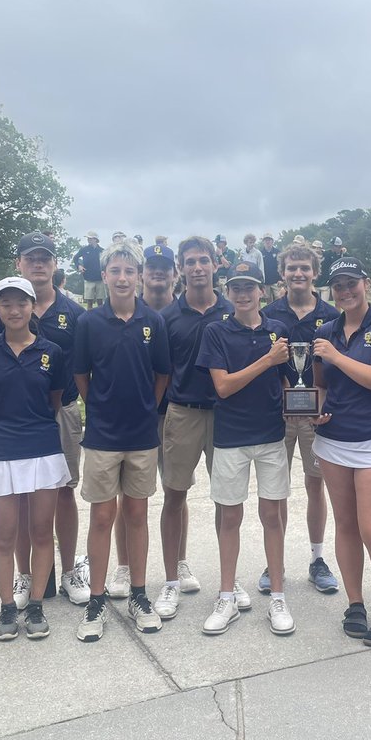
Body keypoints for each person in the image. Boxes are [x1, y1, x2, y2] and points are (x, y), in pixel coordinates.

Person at [0, 232, 89, 610]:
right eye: (31, 258)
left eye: (46, 258)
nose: (39, 264)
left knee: (64, 491)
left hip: (61, 411)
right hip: (13, 419)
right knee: (22, 498)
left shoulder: (75, 312)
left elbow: (79, 369)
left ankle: (70, 570)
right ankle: (25, 574)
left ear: (55, 265)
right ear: (19, 264)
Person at [74, 241, 171, 641]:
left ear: (140, 276)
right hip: (102, 435)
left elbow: (161, 374)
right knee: (101, 516)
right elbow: (82, 376)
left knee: (137, 515)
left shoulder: (154, 321)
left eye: (129, 271)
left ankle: (137, 593)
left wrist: (147, 405)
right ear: (105, 275)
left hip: (142, 435)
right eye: (115, 270)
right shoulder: (89, 322)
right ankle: (97, 598)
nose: (122, 278)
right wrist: (100, 404)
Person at [312, 256, 371, 647]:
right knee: (346, 525)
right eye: (338, 285)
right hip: (334, 439)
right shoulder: (326, 330)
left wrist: (337, 356)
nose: (345, 291)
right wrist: (316, 407)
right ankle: (355, 602)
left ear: (366, 284)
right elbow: (320, 383)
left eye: (352, 283)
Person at [0, 277, 71, 640]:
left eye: (21, 303)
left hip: (42, 450)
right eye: (6, 304)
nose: (14, 310)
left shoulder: (51, 352)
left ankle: (38, 605)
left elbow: (54, 400)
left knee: (42, 532)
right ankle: (8, 608)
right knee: (4, 535)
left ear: (32, 307)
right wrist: (1, 432)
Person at [196, 262, 295, 635]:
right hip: (231, 436)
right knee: (230, 518)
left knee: (273, 515)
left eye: (249, 287)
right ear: (228, 292)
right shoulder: (216, 331)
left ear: (262, 292)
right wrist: (267, 360)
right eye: (235, 288)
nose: (242, 294)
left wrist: (304, 406)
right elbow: (223, 387)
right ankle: (226, 595)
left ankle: (279, 596)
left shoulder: (279, 330)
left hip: (271, 435)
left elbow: (289, 381)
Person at [152, 236, 240, 619]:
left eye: (204, 260)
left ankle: (229, 580)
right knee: (174, 495)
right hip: (182, 412)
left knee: (227, 499)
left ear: (215, 265)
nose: (198, 267)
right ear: (180, 270)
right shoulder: (167, 317)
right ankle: (171, 581)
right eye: (190, 262)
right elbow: (159, 371)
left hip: (226, 413)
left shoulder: (233, 310)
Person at [261, 242, 340, 593]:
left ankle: (317, 558)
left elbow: (335, 367)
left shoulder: (332, 314)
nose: (298, 273)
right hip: (276, 414)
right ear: (282, 272)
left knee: (314, 485)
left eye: (304, 267)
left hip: (315, 415)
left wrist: (324, 401)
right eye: (292, 267)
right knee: (275, 491)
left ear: (315, 272)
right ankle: (272, 561)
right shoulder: (269, 313)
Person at [109, 244, 179, 602]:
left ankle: (178, 562)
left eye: (163, 267)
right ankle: (124, 565)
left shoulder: (180, 310)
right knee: (129, 496)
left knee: (175, 492)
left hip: (177, 412)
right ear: (142, 273)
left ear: (173, 273)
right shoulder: (126, 312)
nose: (157, 273)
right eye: (151, 266)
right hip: (138, 417)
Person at [74, 233, 104, 309]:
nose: (88, 240)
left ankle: (100, 317)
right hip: (88, 278)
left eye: (90, 238)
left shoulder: (102, 251)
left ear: (95, 239)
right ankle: (89, 317)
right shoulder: (84, 249)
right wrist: (79, 266)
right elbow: (75, 258)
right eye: (88, 238)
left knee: (100, 301)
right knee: (89, 301)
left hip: (100, 278)